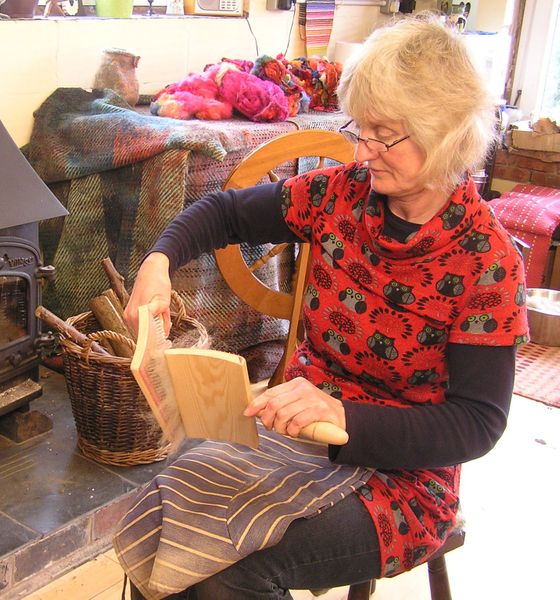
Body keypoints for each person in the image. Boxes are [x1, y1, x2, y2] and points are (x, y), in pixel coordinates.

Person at [115, 13, 529, 600]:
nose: (363, 151)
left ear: (444, 134)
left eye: (384, 136)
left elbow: (476, 424)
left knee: (227, 578)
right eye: (362, 128)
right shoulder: (341, 195)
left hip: (404, 479)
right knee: (168, 510)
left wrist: (340, 417)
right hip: (302, 429)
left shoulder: (485, 261)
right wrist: (157, 262)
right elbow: (222, 214)